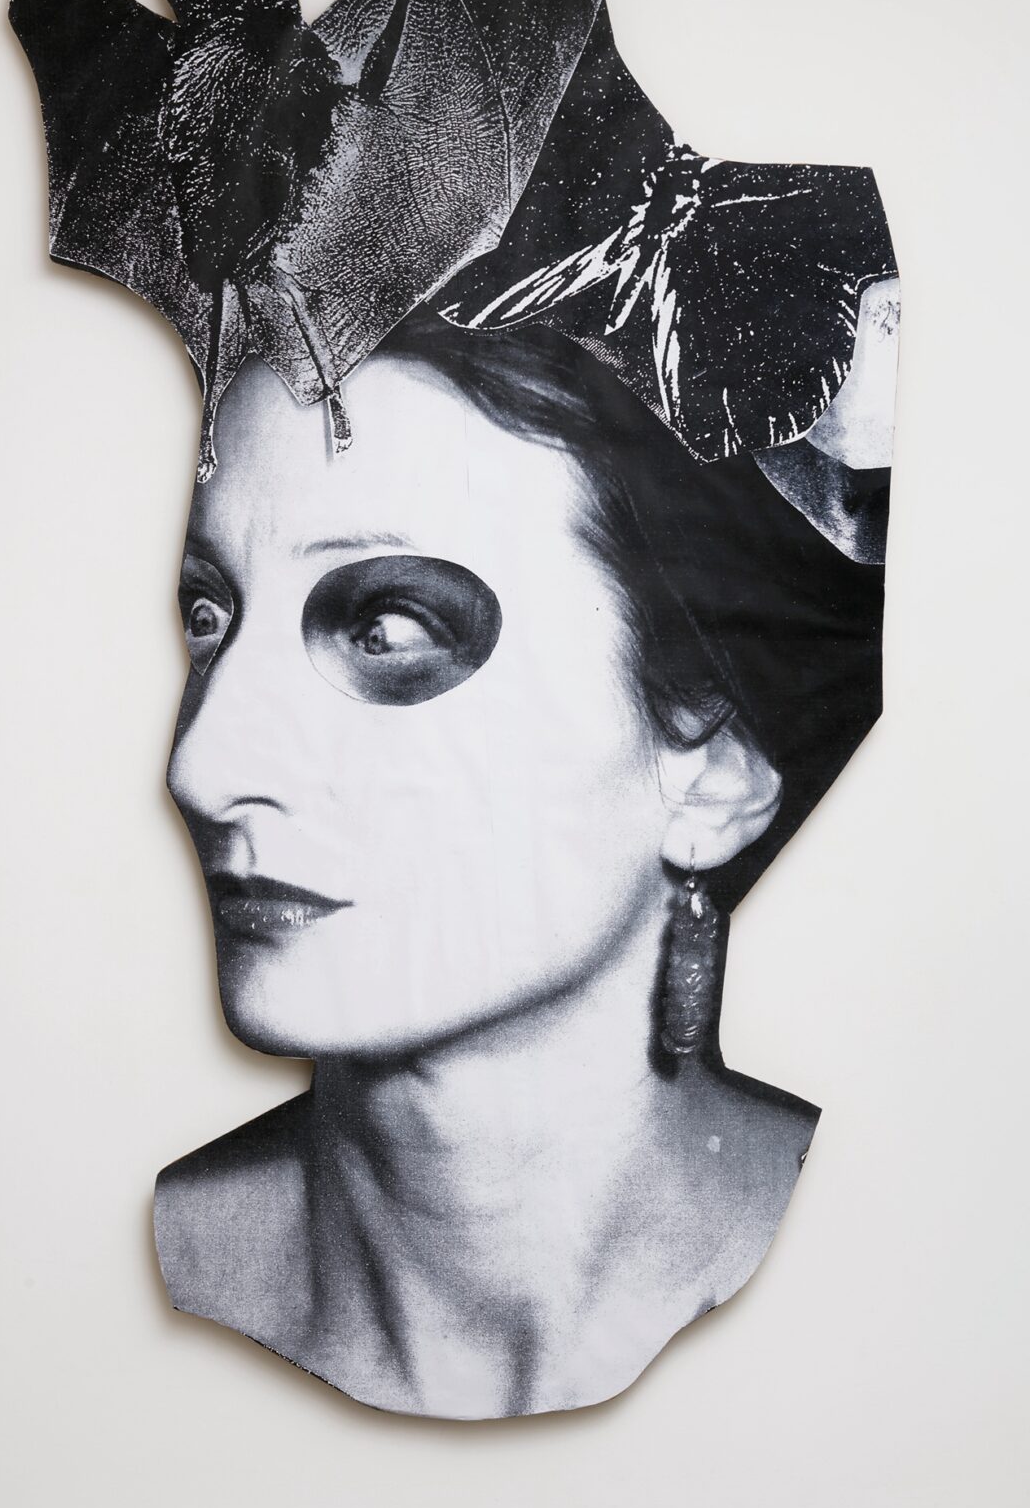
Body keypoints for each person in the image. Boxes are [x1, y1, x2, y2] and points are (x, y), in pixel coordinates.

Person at [154, 307, 884, 1419]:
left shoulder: (908, 1271)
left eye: (387, 627)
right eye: (209, 615)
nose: (201, 767)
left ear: (712, 769)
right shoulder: (78, 1280)